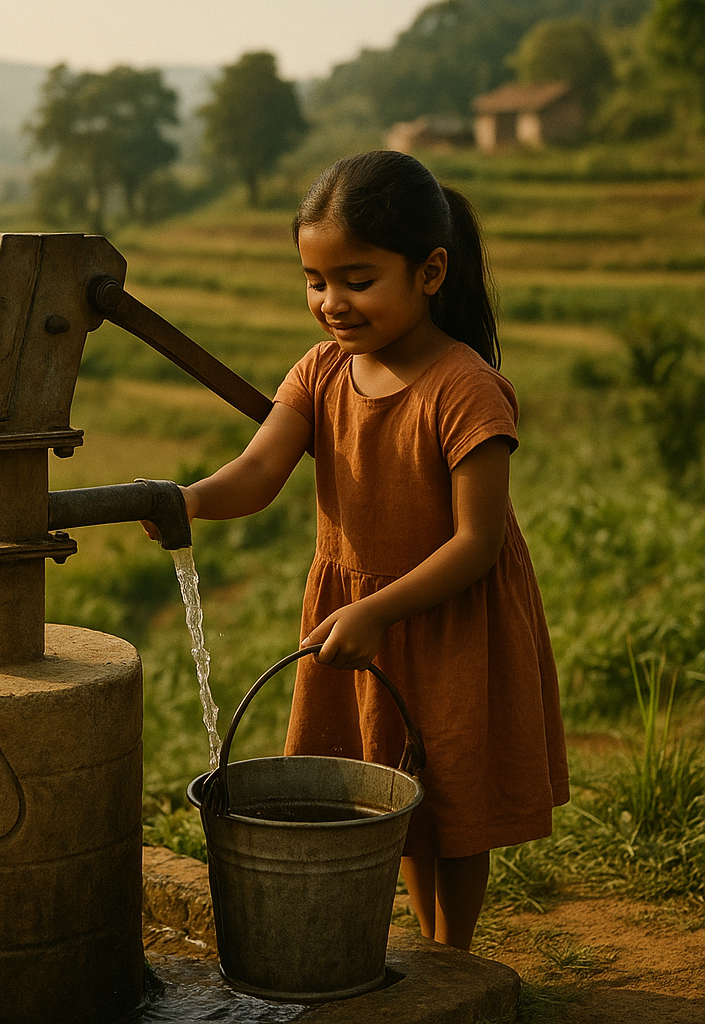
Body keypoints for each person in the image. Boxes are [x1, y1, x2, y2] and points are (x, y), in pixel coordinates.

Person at [175, 151, 569, 951]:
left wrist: (376, 607)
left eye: (356, 279)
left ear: (430, 271)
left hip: (451, 617)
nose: (332, 303)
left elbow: (476, 541)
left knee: (453, 808)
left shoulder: (463, 388)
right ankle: (420, 949)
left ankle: (452, 958)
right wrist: (184, 501)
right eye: (316, 281)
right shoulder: (321, 372)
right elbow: (256, 471)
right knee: (386, 798)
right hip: (358, 617)